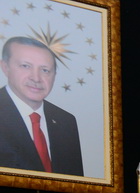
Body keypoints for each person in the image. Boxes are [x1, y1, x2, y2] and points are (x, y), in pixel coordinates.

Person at [0, 36, 83, 175]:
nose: (36, 78)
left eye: (45, 70)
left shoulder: (66, 121)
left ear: (54, 75)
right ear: (5, 67)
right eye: (25, 66)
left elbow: (76, 182)